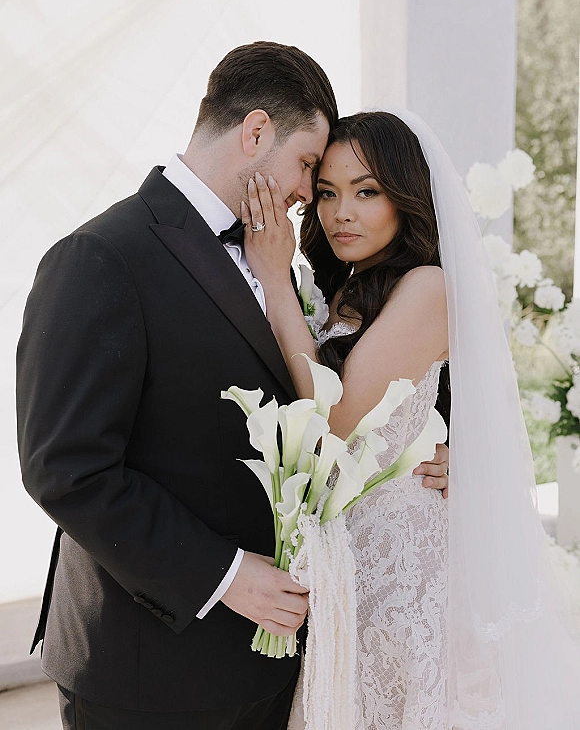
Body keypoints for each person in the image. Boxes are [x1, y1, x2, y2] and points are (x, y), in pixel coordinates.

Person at [16, 44, 448, 730]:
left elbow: (383, 384)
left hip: (288, 659)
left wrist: (459, 447)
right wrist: (225, 576)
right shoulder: (102, 256)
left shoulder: (289, 264)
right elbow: (68, 471)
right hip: (153, 667)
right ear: (254, 133)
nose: (313, 197)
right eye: (310, 167)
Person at [242, 109, 580, 729]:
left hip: (405, 574)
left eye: (366, 192)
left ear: (406, 200)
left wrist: (272, 279)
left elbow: (337, 418)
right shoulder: (349, 290)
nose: (341, 211)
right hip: (350, 563)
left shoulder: (426, 287)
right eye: (326, 192)